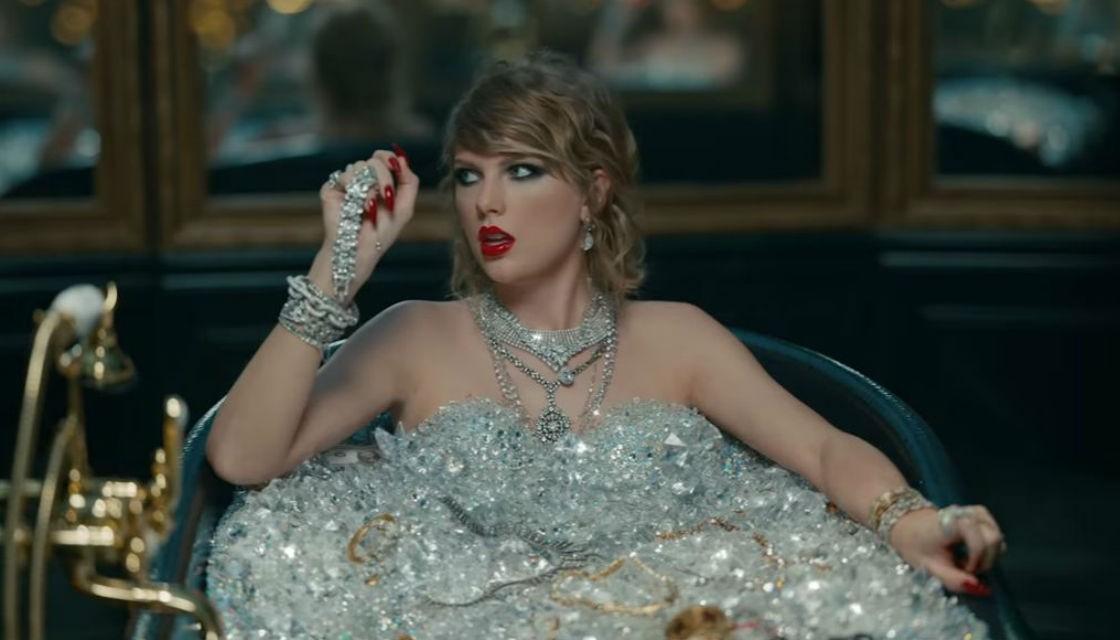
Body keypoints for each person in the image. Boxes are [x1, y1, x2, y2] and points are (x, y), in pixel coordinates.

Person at [203, 51, 1005, 639]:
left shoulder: (680, 336)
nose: (486, 202)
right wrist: (339, 268)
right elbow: (241, 457)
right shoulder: (411, 334)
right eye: (469, 175)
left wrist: (908, 521)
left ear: (593, 190)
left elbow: (824, 450)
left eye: (522, 170)